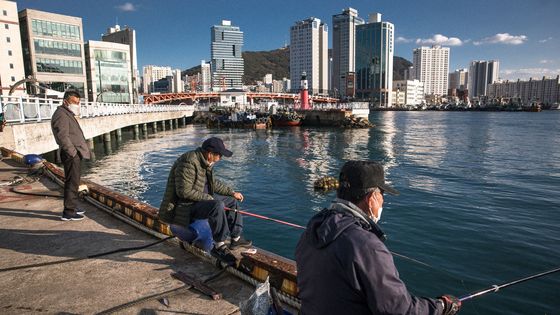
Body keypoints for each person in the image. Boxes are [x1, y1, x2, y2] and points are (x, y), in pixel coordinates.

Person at [295, 161, 461, 315]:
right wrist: (442, 306)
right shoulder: (367, 245)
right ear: (371, 198)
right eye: (382, 194)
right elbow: (398, 310)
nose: (382, 201)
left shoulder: (312, 230)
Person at [158, 137, 252, 263]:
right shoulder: (188, 162)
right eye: (219, 155)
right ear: (209, 154)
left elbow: (213, 183)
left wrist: (232, 193)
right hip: (186, 205)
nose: (220, 159)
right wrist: (209, 198)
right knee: (217, 205)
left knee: (231, 202)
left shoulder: (205, 163)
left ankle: (236, 238)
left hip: (200, 199)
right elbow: (184, 192)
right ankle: (219, 246)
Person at [51, 90, 91, 221]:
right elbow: (62, 136)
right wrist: (72, 152)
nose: (77, 105)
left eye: (78, 103)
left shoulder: (67, 113)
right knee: (72, 182)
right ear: (65, 101)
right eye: (74, 102)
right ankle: (69, 211)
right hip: (71, 154)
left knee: (74, 181)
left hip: (74, 153)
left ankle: (72, 206)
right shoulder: (61, 114)